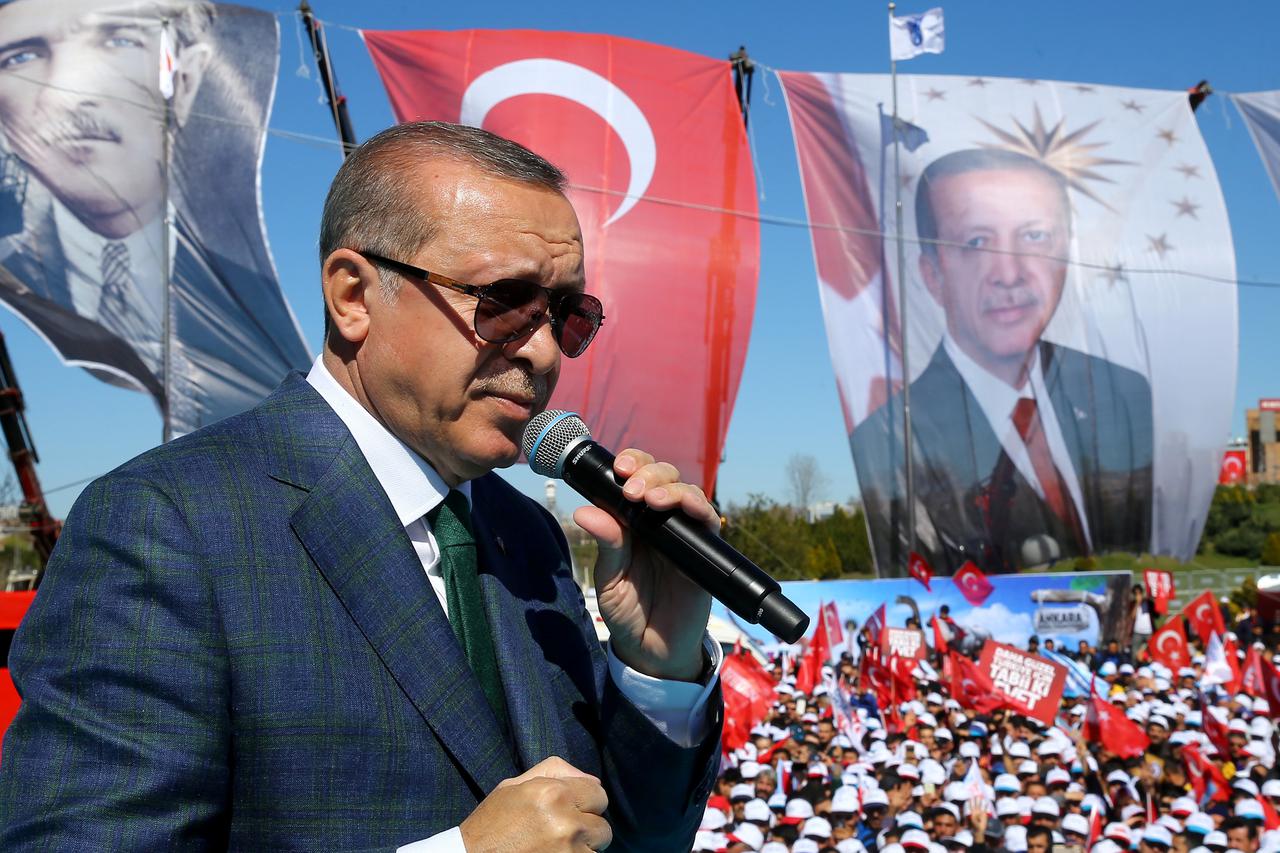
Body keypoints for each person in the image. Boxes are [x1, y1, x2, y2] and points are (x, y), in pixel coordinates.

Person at [0, 122, 723, 850]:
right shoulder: (168, 526)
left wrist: (658, 667)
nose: (540, 351)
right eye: (503, 301)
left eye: (568, 315)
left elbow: (627, 836)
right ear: (354, 296)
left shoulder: (529, 537)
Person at [0, 0, 309, 429]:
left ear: (184, 81)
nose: (65, 94)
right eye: (20, 57)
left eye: (119, 39)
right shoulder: (18, 276)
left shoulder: (237, 289)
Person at [851, 147, 1153, 575]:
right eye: (976, 243)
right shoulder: (890, 438)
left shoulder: (1121, 392)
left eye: (1034, 236)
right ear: (932, 275)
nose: (1009, 273)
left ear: (1066, 255)